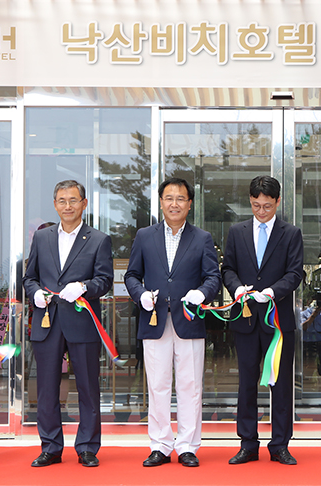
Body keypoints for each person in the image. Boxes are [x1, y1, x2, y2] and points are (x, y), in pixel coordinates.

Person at [124, 177, 221, 467]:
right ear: (161, 202)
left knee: (191, 385)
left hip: (189, 321)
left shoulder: (202, 238)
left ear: (189, 204)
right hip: (153, 320)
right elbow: (131, 275)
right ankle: (160, 445)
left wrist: (201, 294)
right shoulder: (145, 235)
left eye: (180, 198)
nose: (174, 203)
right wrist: (140, 295)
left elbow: (213, 278)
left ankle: (188, 446)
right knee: (158, 384)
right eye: (169, 198)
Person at [23, 180, 113, 468]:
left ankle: (87, 447)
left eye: (73, 200)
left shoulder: (98, 239)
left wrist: (84, 287)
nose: (68, 206)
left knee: (87, 387)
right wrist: (35, 292)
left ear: (84, 204)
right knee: (47, 388)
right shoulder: (42, 237)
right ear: (55, 204)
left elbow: (105, 280)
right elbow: (29, 277)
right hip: (47, 320)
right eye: (62, 200)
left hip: (82, 320)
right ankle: (50, 447)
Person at [221, 176, 304, 466]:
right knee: (246, 383)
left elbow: (295, 273)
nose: (261, 211)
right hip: (245, 319)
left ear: (278, 202)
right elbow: (227, 268)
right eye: (256, 205)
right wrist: (238, 288)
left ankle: (280, 444)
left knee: (280, 385)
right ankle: (248, 444)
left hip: (278, 321)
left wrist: (272, 291)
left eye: (267, 206)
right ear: (250, 201)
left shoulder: (290, 233)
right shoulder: (237, 231)